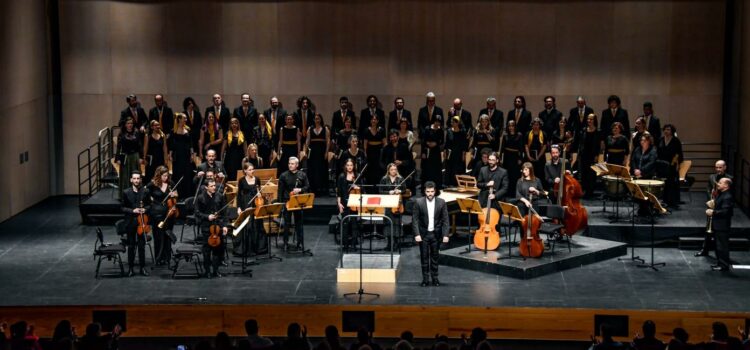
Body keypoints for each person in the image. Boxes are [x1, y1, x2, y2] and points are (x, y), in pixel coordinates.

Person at [412, 181, 449, 286]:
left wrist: (445, 234)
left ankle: (435, 279)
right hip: (423, 234)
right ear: (425, 191)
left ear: (435, 191)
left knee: (435, 258)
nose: (430, 194)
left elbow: (446, 220)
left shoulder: (441, 202)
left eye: (432, 191)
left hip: (435, 234)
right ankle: (425, 279)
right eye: (428, 191)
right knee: (424, 258)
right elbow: (415, 220)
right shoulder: (418, 202)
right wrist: (417, 234)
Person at [195, 178, 229, 278]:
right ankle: (207, 271)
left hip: (218, 227)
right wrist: (207, 216)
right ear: (206, 187)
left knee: (217, 250)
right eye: (212, 186)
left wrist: (225, 226)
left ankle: (216, 270)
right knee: (207, 250)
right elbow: (197, 213)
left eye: (215, 185)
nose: (214, 188)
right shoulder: (201, 198)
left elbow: (224, 213)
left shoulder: (219, 197)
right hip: (206, 227)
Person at [146, 166, 178, 265]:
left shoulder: (170, 183)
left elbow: (177, 194)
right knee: (158, 235)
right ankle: (159, 258)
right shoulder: (152, 184)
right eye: (164, 176)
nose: (166, 178)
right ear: (158, 175)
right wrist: (152, 201)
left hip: (169, 213)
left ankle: (167, 257)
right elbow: (145, 193)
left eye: (167, 176)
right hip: (157, 213)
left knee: (168, 234)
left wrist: (174, 195)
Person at [278, 157, 310, 252]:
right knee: (287, 223)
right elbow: (280, 191)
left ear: (297, 165)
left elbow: (307, 187)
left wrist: (300, 190)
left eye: (292, 164)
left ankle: (300, 242)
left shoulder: (302, 175)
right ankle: (285, 243)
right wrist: (281, 204)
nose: (290, 165)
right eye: (289, 163)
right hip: (287, 201)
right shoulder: (283, 176)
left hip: (298, 202)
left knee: (299, 223)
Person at [121, 171, 150, 277]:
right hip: (130, 222)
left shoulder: (146, 191)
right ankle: (131, 268)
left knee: (142, 246)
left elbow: (149, 206)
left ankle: (142, 268)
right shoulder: (126, 192)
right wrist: (133, 211)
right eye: (135, 178)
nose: (136, 180)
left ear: (140, 180)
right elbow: (122, 207)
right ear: (131, 180)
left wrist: (144, 210)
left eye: (138, 178)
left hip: (142, 222)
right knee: (131, 246)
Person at [236, 163, 267, 255]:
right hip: (245, 204)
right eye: (249, 170)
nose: (252, 171)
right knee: (247, 225)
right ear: (245, 170)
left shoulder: (257, 179)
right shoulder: (241, 180)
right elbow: (239, 195)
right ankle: (247, 249)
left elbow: (259, 192)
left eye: (253, 169)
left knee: (257, 225)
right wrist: (238, 207)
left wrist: (259, 195)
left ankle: (258, 248)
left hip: (256, 204)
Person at [705, 177, 734, 271]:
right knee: (718, 246)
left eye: (720, 183)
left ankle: (724, 265)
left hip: (722, 225)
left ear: (726, 185)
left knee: (722, 246)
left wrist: (713, 212)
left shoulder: (727, 196)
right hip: (718, 224)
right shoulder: (722, 194)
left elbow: (725, 211)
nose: (718, 184)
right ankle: (720, 263)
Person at [169, 113, 195, 200]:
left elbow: (191, 143)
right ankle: (179, 194)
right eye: (184, 118)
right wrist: (170, 154)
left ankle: (187, 194)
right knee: (178, 173)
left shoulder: (188, 130)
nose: (186, 120)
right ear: (179, 119)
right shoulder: (173, 131)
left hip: (186, 154)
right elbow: (171, 144)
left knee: (187, 173)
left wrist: (192, 154)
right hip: (178, 155)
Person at [116, 117, 143, 200]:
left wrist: (141, 157)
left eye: (131, 123)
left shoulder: (136, 132)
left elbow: (140, 146)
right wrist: (118, 158)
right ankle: (124, 196)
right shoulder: (121, 134)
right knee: (125, 176)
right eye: (128, 123)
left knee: (136, 176)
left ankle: (137, 195)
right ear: (125, 125)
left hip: (135, 156)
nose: (130, 125)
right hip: (125, 157)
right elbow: (119, 147)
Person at [657, 124, 683, 208]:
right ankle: (663, 200)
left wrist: (677, 164)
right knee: (663, 183)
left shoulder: (676, 140)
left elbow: (679, 154)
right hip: (661, 165)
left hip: (672, 165)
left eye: (668, 129)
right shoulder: (660, 140)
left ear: (672, 131)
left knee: (671, 183)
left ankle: (672, 202)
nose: (666, 131)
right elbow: (657, 151)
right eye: (665, 129)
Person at [337, 159, 361, 250]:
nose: (349, 167)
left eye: (351, 165)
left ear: (353, 166)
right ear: (345, 166)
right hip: (344, 202)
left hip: (355, 203)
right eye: (348, 165)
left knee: (355, 224)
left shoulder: (357, 176)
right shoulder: (342, 176)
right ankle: (345, 244)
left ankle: (354, 244)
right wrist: (339, 204)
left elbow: (362, 191)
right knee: (345, 224)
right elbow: (339, 192)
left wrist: (358, 187)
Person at [305, 113, 330, 196]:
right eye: (315, 119)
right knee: (312, 170)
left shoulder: (325, 129)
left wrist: (326, 152)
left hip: (322, 152)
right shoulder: (310, 128)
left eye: (318, 118)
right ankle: (313, 189)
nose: (317, 120)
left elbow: (328, 141)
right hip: (312, 153)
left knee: (322, 170)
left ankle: (323, 189)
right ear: (313, 120)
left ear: (321, 119)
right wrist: (305, 151)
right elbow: (308, 140)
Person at [578, 114, 603, 198]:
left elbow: (599, 145)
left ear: (594, 120)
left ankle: (590, 191)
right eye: (588, 119)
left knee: (592, 174)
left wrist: (597, 155)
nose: (589, 120)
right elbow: (580, 143)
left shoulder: (598, 131)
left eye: (591, 119)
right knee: (584, 173)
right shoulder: (584, 130)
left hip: (593, 155)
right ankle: (584, 190)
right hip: (584, 155)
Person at [363, 115, 386, 193]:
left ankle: (378, 188)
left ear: (378, 121)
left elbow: (385, 143)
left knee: (378, 170)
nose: (374, 121)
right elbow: (365, 144)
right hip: (370, 152)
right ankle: (370, 189)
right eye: (372, 119)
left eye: (375, 119)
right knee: (370, 170)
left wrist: (384, 153)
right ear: (370, 121)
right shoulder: (366, 130)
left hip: (379, 152)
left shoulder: (381, 130)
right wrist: (365, 154)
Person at [422, 116, 445, 191]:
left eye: (439, 122)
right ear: (433, 121)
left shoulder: (440, 130)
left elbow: (442, 141)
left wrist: (436, 143)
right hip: (428, 151)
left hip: (436, 152)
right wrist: (424, 151)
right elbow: (424, 140)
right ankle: (427, 186)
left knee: (436, 168)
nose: (437, 123)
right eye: (436, 121)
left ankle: (437, 186)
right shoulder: (427, 129)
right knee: (428, 168)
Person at [501, 120, 524, 196]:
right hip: (507, 157)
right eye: (509, 126)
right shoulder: (505, 135)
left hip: (515, 158)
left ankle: (514, 193)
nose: (511, 127)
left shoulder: (519, 135)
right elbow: (502, 148)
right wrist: (501, 157)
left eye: (512, 126)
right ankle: (506, 192)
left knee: (514, 175)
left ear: (515, 126)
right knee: (507, 175)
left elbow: (521, 148)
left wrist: (520, 159)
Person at [445, 117, 469, 187]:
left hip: (459, 153)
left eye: (453, 122)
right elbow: (447, 143)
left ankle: (457, 183)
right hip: (450, 152)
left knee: (458, 168)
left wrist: (463, 154)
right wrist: (445, 152)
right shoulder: (449, 131)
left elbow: (464, 144)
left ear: (457, 123)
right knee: (450, 168)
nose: (452, 123)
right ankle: (449, 183)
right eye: (451, 122)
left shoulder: (462, 132)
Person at [222, 117, 247, 182]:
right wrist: (221, 159)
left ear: (238, 124)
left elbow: (245, 148)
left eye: (235, 123)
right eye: (232, 123)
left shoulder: (242, 133)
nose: (234, 125)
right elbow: (223, 148)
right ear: (230, 125)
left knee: (239, 174)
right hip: (229, 158)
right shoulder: (227, 134)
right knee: (230, 174)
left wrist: (246, 158)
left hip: (240, 158)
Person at [525, 118, 547, 186]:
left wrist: (538, 156)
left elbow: (544, 146)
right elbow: (526, 145)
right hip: (530, 156)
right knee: (530, 172)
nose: (535, 126)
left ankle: (540, 188)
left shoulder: (543, 134)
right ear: (532, 125)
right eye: (534, 125)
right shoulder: (528, 133)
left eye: (537, 125)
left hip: (540, 157)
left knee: (540, 173)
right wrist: (528, 156)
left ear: (540, 125)